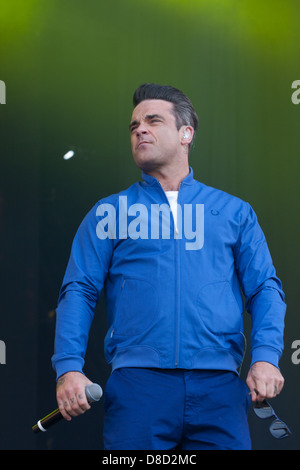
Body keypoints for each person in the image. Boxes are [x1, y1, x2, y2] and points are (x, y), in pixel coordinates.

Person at [52, 83, 286, 450]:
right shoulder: (108, 212)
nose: (140, 129)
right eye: (134, 126)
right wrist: (68, 367)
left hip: (219, 386)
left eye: (153, 121)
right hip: (138, 386)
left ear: (186, 133)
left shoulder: (233, 212)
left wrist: (267, 358)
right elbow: (78, 291)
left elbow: (264, 289)